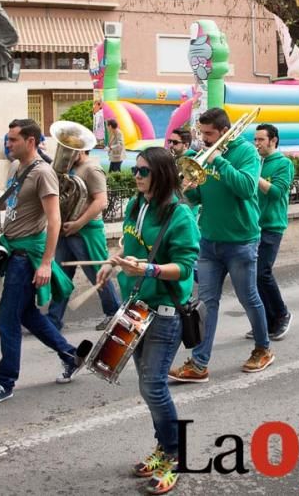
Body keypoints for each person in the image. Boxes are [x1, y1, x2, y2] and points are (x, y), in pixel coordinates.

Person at [98, 147, 201, 495]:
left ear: (161, 172)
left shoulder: (180, 214)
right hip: (136, 307)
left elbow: (184, 267)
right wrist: (113, 262)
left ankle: (174, 454)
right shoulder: (136, 205)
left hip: (165, 313)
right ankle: (163, 448)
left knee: (153, 386)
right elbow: (133, 246)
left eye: (143, 171)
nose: (137, 176)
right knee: (146, 385)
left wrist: (148, 269)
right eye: (135, 170)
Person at [0, 119, 82, 407]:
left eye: (13, 139)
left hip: (27, 257)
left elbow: (54, 219)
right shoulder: (18, 169)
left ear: (30, 141)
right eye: (8, 138)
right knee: (27, 315)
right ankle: (70, 355)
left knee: (7, 319)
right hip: (14, 252)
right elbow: (6, 202)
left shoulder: (43, 174)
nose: (8, 143)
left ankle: (5, 383)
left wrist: (47, 264)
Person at [169, 108, 274, 382]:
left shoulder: (246, 153)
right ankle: (199, 362)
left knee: (248, 297)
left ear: (224, 131)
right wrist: (190, 187)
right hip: (209, 240)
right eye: (201, 133)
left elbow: (247, 188)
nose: (203, 139)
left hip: (241, 240)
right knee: (206, 303)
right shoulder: (203, 155)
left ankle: (263, 349)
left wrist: (219, 161)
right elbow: (199, 198)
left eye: (209, 134)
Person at [48, 139, 121, 332]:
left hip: (86, 232)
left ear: (79, 150)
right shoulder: (69, 169)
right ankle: (53, 318)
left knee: (98, 274)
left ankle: (114, 314)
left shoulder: (92, 169)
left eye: (67, 149)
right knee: (62, 276)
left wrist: (78, 223)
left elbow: (101, 201)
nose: (62, 152)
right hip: (68, 229)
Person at [252, 124, 294, 340]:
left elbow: (277, 193)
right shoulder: (257, 161)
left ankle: (282, 314)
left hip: (272, 225)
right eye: (255, 139)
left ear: (273, 141)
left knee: (263, 273)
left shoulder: (283, 163)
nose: (256, 143)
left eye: (261, 139)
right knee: (254, 277)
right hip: (254, 226)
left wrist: (253, 176)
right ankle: (266, 321)